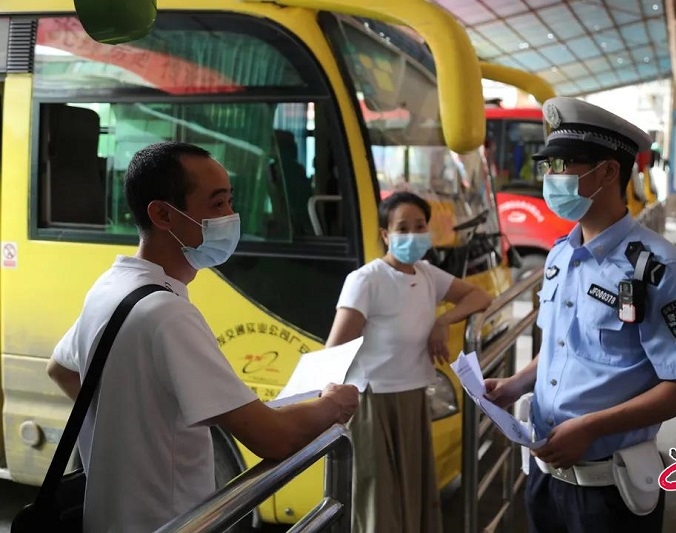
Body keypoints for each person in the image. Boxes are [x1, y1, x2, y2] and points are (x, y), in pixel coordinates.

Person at [46, 142, 359, 532]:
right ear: (163, 214)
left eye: (230, 202)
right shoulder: (168, 314)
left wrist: (129, 429)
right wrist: (332, 403)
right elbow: (273, 438)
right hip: (170, 523)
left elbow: (60, 369)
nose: (231, 217)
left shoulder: (112, 286)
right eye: (217, 205)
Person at [484, 97, 676, 533]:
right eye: (547, 167)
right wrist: (515, 384)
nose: (550, 178)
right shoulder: (560, 255)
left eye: (562, 165)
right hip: (543, 478)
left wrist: (591, 428)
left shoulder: (659, 267)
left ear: (607, 171)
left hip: (610, 490)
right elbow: (563, 347)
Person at [325, 191, 492, 533]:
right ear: (386, 234)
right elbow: (334, 350)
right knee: (379, 505)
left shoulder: (428, 275)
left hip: (413, 398)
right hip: (373, 403)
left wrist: (443, 321)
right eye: (403, 227)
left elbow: (480, 297)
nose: (413, 235)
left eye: (420, 226)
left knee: (413, 499)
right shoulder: (366, 280)